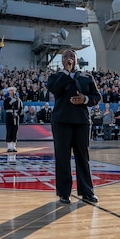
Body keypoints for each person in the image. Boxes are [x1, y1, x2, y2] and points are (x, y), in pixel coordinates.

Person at [47, 49, 101, 204]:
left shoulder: (86, 77)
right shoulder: (55, 76)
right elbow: (55, 89)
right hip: (61, 120)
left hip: (81, 121)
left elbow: (97, 97)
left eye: (72, 56)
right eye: (65, 56)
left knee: (83, 157)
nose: (69, 58)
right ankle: (64, 193)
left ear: (76, 60)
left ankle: (87, 192)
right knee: (62, 157)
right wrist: (66, 73)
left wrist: (85, 99)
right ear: (62, 60)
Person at [4, 86, 23, 152]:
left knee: (15, 131)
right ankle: (9, 146)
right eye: (11, 90)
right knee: (9, 130)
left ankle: (13, 146)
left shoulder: (18, 99)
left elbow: (20, 107)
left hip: (15, 116)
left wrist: (18, 113)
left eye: (13, 90)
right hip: (9, 116)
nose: (12, 92)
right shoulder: (6, 100)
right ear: (9, 92)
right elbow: (5, 107)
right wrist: (10, 103)